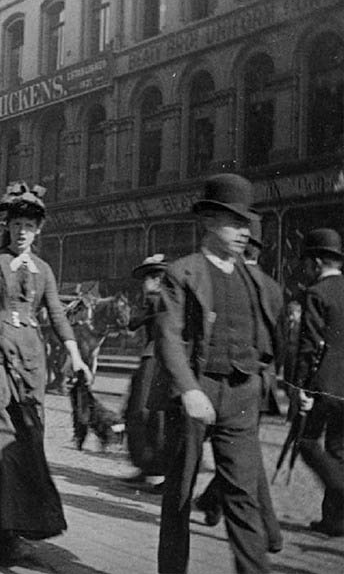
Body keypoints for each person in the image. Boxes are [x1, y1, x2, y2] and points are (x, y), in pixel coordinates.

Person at [153, 173, 282, 574]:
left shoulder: (258, 281)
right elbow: (168, 336)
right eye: (236, 222)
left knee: (243, 496)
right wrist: (189, 390)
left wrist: (263, 380)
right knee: (180, 491)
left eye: (248, 224)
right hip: (197, 391)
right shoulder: (183, 273)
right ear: (208, 221)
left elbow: (271, 339)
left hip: (241, 396)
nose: (246, 232)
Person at [0, 182, 91, 560]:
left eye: (30, 225)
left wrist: (75, 355)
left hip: (32, 359)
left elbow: (56, 314)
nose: (22, 231)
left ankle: (18, 524)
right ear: (8, 226)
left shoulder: (43, 269)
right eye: (17, 224)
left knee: (28, 442)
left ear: (39, 229)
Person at [193, 218, 284, 553]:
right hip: (258, 385)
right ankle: (217, 505)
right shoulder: (272, 286)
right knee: (242, 461)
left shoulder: (221, 279)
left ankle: (269, 533)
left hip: (217, 385)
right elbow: (279, 343)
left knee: (244, 465)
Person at [294, 228, 344, 537]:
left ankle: (342, 489)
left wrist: (302, 387)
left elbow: (309, 346)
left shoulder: (316, 293)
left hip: (326, 384)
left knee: (308, 443)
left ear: (315, 262)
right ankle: (335, 521)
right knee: (338, 448)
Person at [123, 253, 167, 491]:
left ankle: (156, 469)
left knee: (144, 412)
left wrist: (149, 298)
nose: (146, 282)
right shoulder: (161, 299)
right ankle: (149, 468)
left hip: (155, 360)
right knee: (143, 412)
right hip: (153, 359)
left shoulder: (155, 299)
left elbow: (133, 322)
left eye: (151, 277)